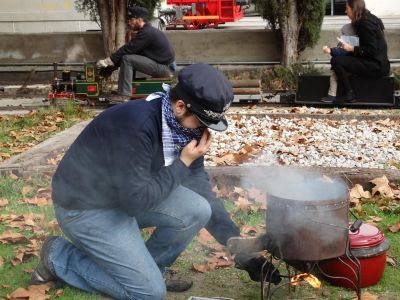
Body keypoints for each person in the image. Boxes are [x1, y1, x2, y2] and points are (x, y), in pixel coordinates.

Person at [30, 64, 241, 299]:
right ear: (180, 106)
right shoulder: (136, 126)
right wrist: (182, 163)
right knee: (149, 294)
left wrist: (233, 240)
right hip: (86, 209)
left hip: (125, 196)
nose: (203, 131)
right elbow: (136, 203)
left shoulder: (181, 128)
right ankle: (58, 256)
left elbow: (198, 186)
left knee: (198, 208)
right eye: (202, 122)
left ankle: (151, 268)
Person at [96, 6, 176, 103]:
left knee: (128, 59)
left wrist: (109, 61)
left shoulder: (147, 33)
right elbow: (134, 51)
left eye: (131, 20)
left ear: (139, 19)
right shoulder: (147, 31)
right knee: (129, 58)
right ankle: (126, 90)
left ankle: (124, 95)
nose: (129, 22)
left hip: (165, 68)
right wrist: (112, 67)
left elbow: (128, 49)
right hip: (164, 66)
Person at [321, 0, 390, 104]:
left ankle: (349, 94)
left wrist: (352, 48)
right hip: (380, 63)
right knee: (341, 58)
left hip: (376, 66)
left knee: (336, 61)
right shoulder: (370, 18)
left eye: (347, 8)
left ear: (354, 9)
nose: (345, 11)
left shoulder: (364, 24)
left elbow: (372, 50)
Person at [321, 23, 358, 103]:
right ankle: (332, 95)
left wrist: (330, 50)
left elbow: (342, 52)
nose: (342, 36)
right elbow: (338, 49)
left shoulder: (351, 44)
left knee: (333, 77)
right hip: (343, 67)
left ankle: (332, 95)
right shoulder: (343, 43)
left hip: (347, 67)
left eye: (344, 34)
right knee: (334, 76)